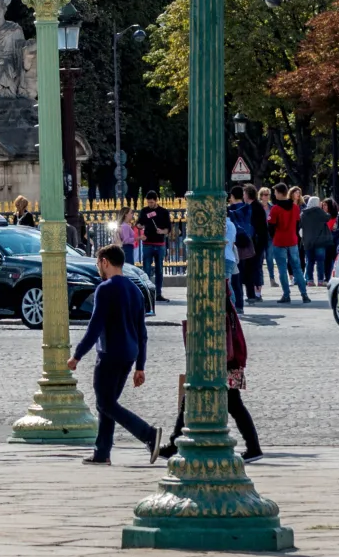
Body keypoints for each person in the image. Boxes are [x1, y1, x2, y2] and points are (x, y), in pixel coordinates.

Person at [70, 244, 159, 465]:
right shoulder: (135, 290)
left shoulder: (105, 288)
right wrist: (140, 365)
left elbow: (95, 326)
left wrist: (77, 355)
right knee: (108, 402)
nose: (98, 267)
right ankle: (102, 453)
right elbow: (142, 332)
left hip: (110, 353)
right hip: (129, 354)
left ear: (105, 262)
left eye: (98, 263)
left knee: (105, 404)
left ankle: (148, 434)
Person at [159, 280, 261, 461]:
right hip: (226, 359)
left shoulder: (215, 301)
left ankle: (253, 447)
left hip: (219, 361)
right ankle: (253, 447)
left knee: (223, 402)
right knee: (231, 404)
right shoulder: (224, 301)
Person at [140, 195, 171, 300]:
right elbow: (139, 223)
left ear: (156, 201)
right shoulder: (144, 211)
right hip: (147, 243)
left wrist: (161, 231)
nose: (150, 205)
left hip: (159, 244)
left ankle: (158, 293)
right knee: (146, 269)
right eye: (148, 202)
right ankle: (147, 293)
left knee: (159, 270)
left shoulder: (164, 212)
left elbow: (168, 229)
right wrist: (140, 226)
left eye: (152, 202)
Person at [299, 193, 330, 287]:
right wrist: (325, 211)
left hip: (308, 241)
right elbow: (327, 217)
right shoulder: (319, 211)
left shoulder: (303, 214)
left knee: (309, 261)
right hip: (319, 241)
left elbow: (300, 227)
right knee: (320, 261)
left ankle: (309, 280)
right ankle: (320, 280)